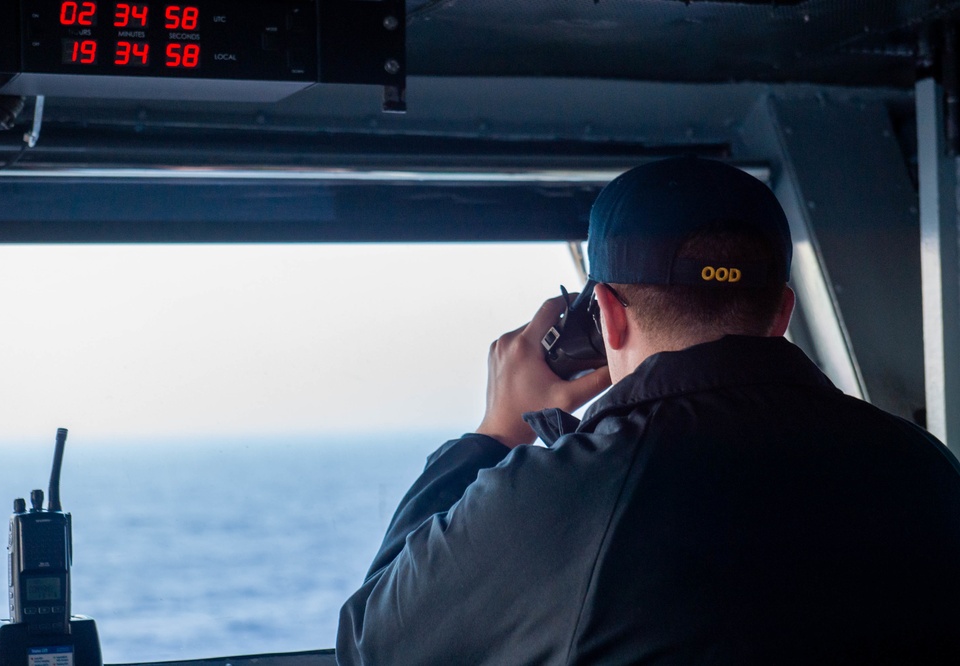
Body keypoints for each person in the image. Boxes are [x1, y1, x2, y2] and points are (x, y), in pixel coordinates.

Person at [335, 157, 960, 664]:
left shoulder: (565, 497)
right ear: (782, 313)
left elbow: (371, 646)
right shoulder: (924, 467)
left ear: (604, 312)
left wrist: (494, 435)